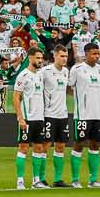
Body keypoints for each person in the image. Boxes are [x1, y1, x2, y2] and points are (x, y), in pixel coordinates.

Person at [69, 42, 100, 188]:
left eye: (98, 54)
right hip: (82, 114)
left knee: (95, 145)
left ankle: (93, 180)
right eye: (93, 54)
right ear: (86, 54)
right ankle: (75, 179)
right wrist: (80, 99)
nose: (96, 56)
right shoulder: (77, 69)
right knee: (79, 144)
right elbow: (69, 87)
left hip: (98, 114)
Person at [13, 46, 47, 191]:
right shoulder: (23, 75)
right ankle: (20, 180)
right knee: (24, 147)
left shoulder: (40, 75)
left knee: (39, 147)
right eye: (38, 58)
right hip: (27, 118)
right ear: (30, 58)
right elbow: (15, 97)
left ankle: (36, 180)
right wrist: (20, 118)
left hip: (40, 118)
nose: (40, 61)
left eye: (41, 58)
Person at [41, 43, 73, 188]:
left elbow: (67, 90)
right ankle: (40, 178)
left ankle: (58, 179)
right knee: (45, 146)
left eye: (66, 56)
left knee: (61, 146)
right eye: (61, 56)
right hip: (49, 114)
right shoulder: (45, 71)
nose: (64, 59)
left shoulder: (66, 71)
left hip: (63, 114)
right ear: (54, 56)